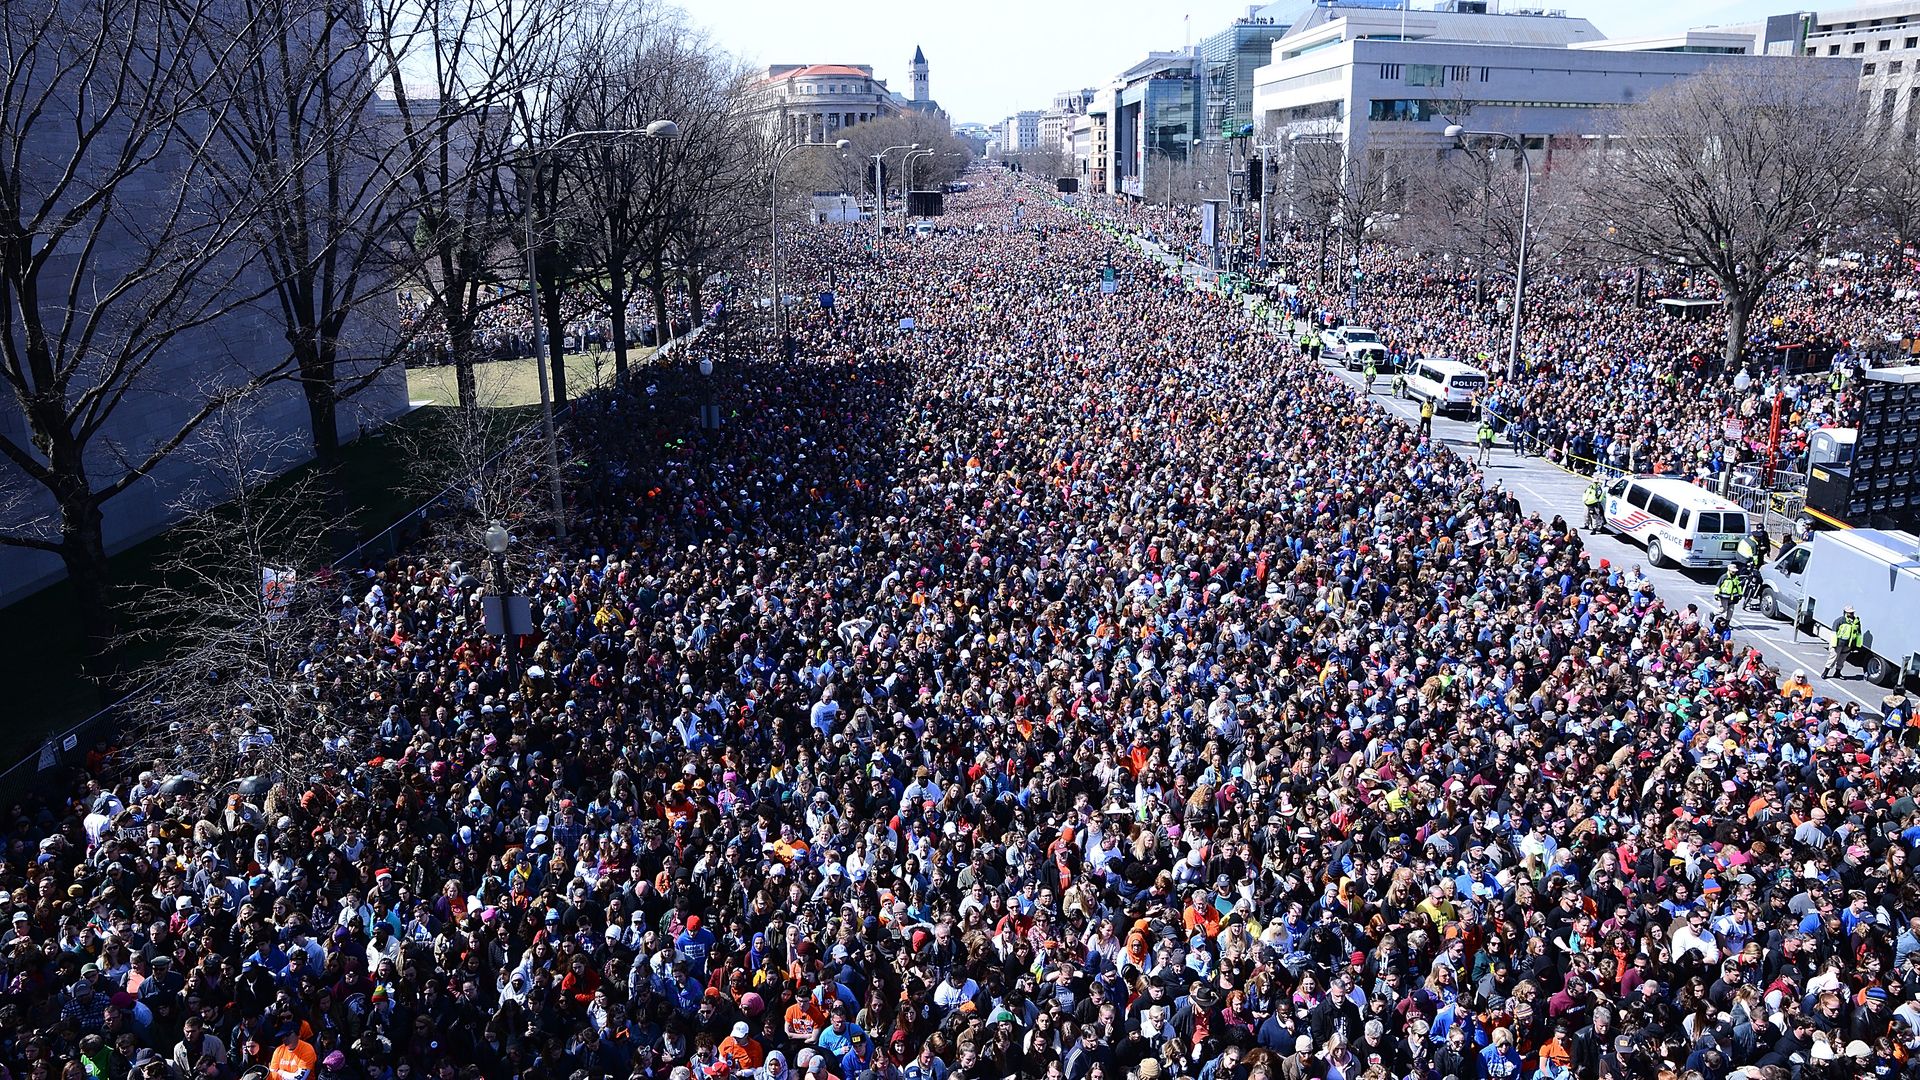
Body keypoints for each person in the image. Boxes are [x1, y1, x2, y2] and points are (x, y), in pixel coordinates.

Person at [1826, 605, 1866, 678]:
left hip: (1848, 644)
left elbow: (1858, 634)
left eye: (1852, 612)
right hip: (1838, 643)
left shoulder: (1856, 621)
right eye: (1849, 613)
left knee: (1842, 659)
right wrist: (1834, 644)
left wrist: (1857, 645)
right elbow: (1834, 632)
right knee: (1833, 657)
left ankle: (1837, 673)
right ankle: (1826, 672)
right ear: (1845, 612)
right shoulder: (1840, 620)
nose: (1851, 614)